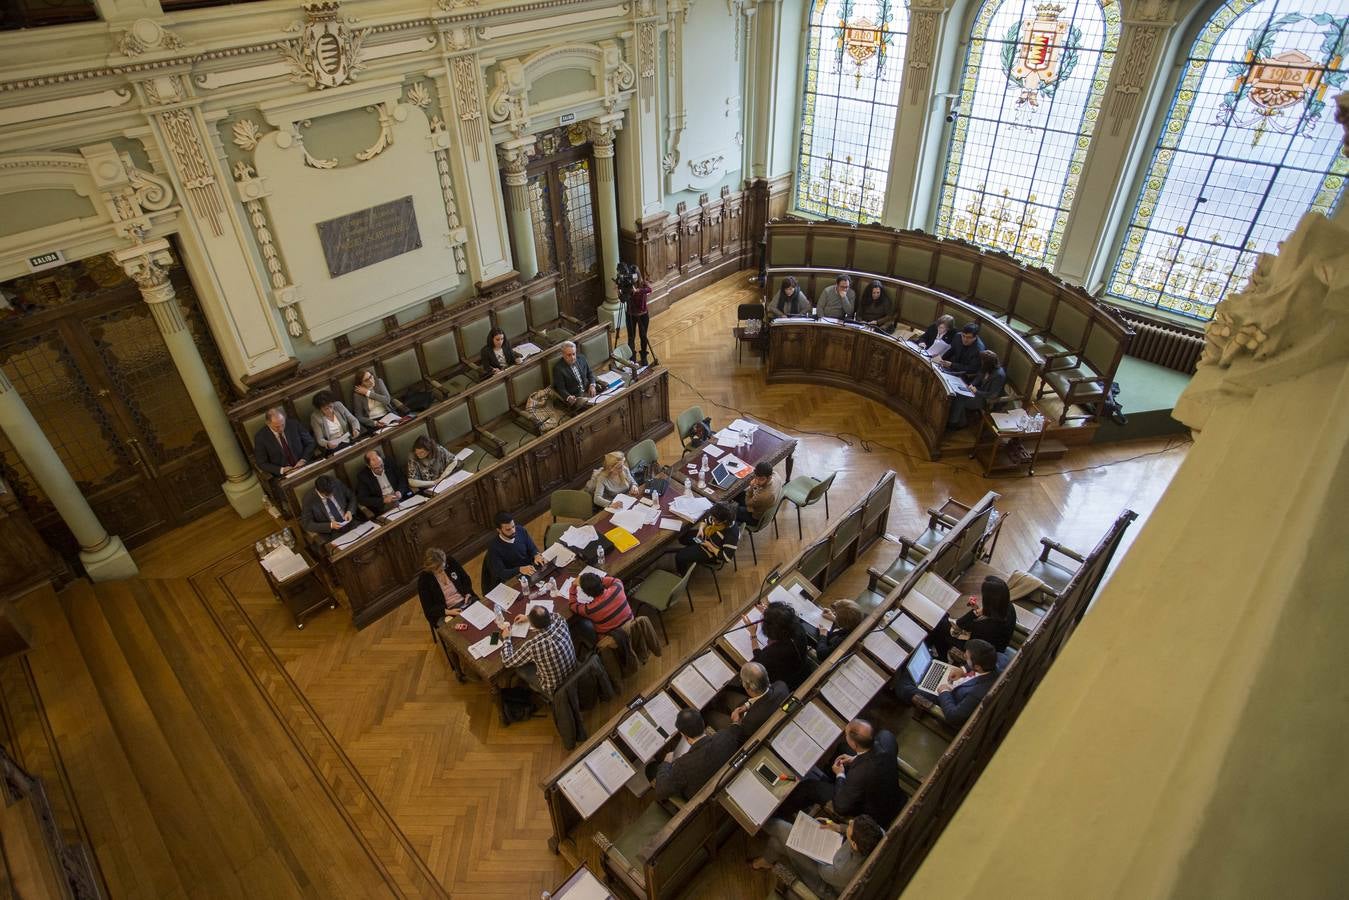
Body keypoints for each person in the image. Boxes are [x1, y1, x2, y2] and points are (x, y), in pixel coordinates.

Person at [785, 719, 904, 825]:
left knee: (808, 787)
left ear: (854, 744)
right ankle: (829, 779)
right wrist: (856, 759)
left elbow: (841, 807)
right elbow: (876, 756)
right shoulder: (886, 739)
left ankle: (781, 813)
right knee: (843, 748)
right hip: (890, 794)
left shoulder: (858, 774)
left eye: (846, 735)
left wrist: (840, 775)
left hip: (876, 814)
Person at [752, 814, 885, 898]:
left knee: (780, 828)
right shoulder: (878, 834)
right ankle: (766, 860)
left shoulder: (845, 871)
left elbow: (823, 871)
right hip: (834, 864)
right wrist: (838, 828)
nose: (849, 821)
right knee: (777, 843)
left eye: (851, 826)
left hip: (825, 883)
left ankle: (753, 818)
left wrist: (810, 847)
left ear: (854, 845)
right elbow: (852, 829)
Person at [892, 638, 999, 728]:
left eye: (967, 658)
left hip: (947, 698)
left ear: (977, 667)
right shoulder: (992, 667)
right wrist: (963, 670)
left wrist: (944, 691)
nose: (965, 658)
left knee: (903, 685)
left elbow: (954, 717)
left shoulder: (976, 694)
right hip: (955, 686)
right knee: (929, 664)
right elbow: (975, 665)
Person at [651, 708, 741, 802]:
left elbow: (660, 792)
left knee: (651, 769)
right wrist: (735, 722)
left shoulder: (682, 766)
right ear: (703, 724)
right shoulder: (725, 736)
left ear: (684, 735)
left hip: (706, 798)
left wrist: (665, 763)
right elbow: (736, 727)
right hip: (733, 781)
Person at [928, 575, 1016, 660]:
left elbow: (960, 625)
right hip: (996, 645)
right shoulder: (1009, 606)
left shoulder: (986, 626)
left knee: (939, 625)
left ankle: (942, 658)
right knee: (943, 619)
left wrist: (974, 612)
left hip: (979, 652)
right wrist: (977, 610)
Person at [498, 606, 576, 698]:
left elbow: (507, 662)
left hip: (555, 688)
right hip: (574, 672)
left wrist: (507, 638)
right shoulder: (560, 620)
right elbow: (552, 615)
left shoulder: (533, 646)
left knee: (520, 669)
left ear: (533, 626)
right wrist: (528, 617)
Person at [709, 661, 789, 737]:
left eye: (741, 681)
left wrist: (735, 723)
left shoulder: (749, 722)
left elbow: (739, 736)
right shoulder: (781, 686)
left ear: (747, 686)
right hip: (760, 709)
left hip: (742, 725)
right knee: (727, 695)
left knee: (711, 715)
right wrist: (747, 705)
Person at [747, 601, 813, 691]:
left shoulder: (774, 652)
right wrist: (772, 614)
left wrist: (753, 635)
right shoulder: (798, 627)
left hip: (790, 684)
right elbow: (782, 622)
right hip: (805, 669)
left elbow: (758, 660)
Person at [484, 511, 545, 591]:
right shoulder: (494, 548)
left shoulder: (520, 530)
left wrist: (536, 555)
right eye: (508, 529)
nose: (513, 531)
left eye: (513, 526)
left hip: (531, 571)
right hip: (515, 579)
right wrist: (519, 569)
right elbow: (501, 573)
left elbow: (532, 548)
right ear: (499, 530)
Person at [673, 502, 739, 575]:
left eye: (714, 520)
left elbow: (726, 557)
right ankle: (692, 551)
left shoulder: (731, 534)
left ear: (724, 521)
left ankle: (681, 574)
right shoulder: (718, 517)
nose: (712, 520)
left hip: (711, 552)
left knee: (680, 556)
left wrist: (709, 545)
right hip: (705, 539)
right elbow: (706, 520)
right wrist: (701, 529)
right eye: (712, 518)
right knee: (682, 537)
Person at [416, 547, 474, 630]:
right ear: (431, 569)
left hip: (464, 601)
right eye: (439, 571)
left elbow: (465, 578)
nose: (443, 571)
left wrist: (467, 593)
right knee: (460, 633)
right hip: (444, 612)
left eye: (444, 567)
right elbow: (429, 609)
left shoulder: (450, 562)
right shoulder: (424, 580)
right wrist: (449, 612)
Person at [252, 407, 317, 480]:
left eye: (283, 424)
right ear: (268, 423)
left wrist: (303, 460)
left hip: (305, 465)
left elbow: (310, 443)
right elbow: (262, 463)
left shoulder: (294, 424)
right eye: (277, 427)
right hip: (284, 476)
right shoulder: (260, 438)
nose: (281, 429)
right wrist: (282, 470)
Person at [948, 350, 1007, 430]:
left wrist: (976, 391)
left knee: (959, 400)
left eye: (982, 361)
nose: (981, 362)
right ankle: (959, 421)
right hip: (977, 391)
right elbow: (979, 376)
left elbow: (993, 394)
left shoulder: (999, 375)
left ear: (988, 363)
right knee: (957, 395)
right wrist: (972, 384)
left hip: (985, 399)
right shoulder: (986, 368)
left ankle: (955, 423)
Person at [567, 572, 633, 636]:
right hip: (632, 627)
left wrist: (573, 586)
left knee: (582, 622)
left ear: (586, 593)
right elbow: (615, 580)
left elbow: (572, 605)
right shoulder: (618, 587)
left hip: (611, 639)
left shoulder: (590, 610)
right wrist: (595, 580)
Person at [300, 474, 359, 542]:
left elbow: (352, 497)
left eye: (331, 493)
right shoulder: (308, 499)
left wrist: (350, 511)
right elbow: (307, 524)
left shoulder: (337, 484)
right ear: (318, 490)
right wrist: (330, 525)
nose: (330, 496)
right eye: (327, 495)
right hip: (333, 533)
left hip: (351, 522)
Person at [354, 449, 413, 514]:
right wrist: (383, 500)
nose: (380, 469)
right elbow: (362, 499)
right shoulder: (363, 476)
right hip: (384, 506)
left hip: (401, 497)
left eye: (381, 465)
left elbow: (402, 479)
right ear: (368, 466)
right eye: (376, 468)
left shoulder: (390, 463)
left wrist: (400, 491)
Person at [621, 262, 654, 364]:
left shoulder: (643, 284)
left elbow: (649, 289)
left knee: (643, 336)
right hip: (630, 314)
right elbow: (623, 300)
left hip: (642, 315)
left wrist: (638, 290)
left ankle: (643, 357)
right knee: (631, 337)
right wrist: (620, 292)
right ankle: (632, 358)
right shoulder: (627, 285)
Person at [551, 340, 597, 409]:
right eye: (569, 355)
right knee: (593, 407)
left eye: (574, 354)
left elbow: (589, 373)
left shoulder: (582, 358)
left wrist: (592, 385)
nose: (572, 357)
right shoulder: (558, 369)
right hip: (576, 398)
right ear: (563, 355)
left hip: (588, 391)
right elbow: (561, 388)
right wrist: (568, 397)